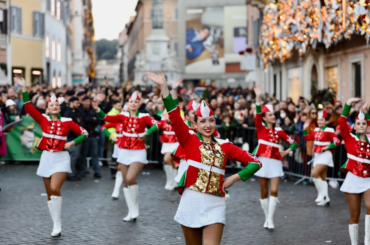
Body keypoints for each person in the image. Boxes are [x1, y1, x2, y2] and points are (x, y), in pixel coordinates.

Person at [146, 70, 262, 245]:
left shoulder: (225, 145)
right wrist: (164, 87)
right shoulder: (188, 139)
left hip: (215, 203)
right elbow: (174, 114)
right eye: (203, 121)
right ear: (195, 123)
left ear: (215, 121)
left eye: (211, 120)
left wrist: (234, 178)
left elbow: (256, 162)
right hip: (190, 202)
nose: (207, 125)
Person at [14, 77, 88, 237]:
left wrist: (71, 143)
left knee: (55, 189)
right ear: (47, 108)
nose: (54, 107)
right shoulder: (43, 119)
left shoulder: (68, 121)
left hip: (62, 158)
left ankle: (58, 222)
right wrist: (24, 88)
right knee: (49, 194)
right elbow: (27, 106)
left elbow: (84, 133)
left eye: (56, 105)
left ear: (59, 108)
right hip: (47, 158)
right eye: (51, 105)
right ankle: (55, 222)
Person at [93, 91, 157, 222]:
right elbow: (107, 119)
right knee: (126, 182)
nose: (133, 104)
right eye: (131, 102)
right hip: (124, 151)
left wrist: (145, 133)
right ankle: (131, 211)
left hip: (138, 151)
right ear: (128, 104)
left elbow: (156, 125)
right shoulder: (123, 115)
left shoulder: (144, 116)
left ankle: (136, 207)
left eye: (136, 102)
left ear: (139, 104)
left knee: (130, 178)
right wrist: (98, 109)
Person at [253, 85, 298, 230]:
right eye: (270, 115)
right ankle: (266, 217)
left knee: (274, 191)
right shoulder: (260, 128)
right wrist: (258, 97)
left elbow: (294, 143)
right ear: (265, 118)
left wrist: (286, 152)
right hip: (262, 162)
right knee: (264, 192)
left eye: (273, 114)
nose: (273, 116)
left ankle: (270, 219)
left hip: (276, 162)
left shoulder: (279, 131)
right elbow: (258, 113)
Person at [337, 99, 370, 245]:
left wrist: (366, 111)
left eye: (364, 123)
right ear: (355, 127)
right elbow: (342, 123)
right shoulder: (349, 138)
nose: (361, 126)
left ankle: (368, 241)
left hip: (368, 179)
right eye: (359, 124)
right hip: (353, 179)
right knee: (355, 215)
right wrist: (348, 104)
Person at [303, 110, 340, 206]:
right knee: (322, 177)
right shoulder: (316, 130)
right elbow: (307, 138)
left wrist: (327, 147)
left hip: (326, 154)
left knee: (314, 173)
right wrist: (304, 127)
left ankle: (322, 194)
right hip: (317, 155)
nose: (319, 122)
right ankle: (326, 198)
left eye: (322, 120)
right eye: (318, 120)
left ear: (326, 121)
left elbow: (337, 141)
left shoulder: (329, 130)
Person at [145, 110, 179, 190]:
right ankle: (170, 180)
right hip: (166, 142)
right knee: (169, 162)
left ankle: (173, 181)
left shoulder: (177, 116)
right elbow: (158, 125)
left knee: (167, 159)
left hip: (175, 142)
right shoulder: (163, 118)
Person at [79, 96, 102, 178]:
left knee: (94, 154)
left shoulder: (93, 109)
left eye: (88, 101)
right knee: (83, 154)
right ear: (82, 102)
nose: (87, 103)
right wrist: (92, 118)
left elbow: (98, 120)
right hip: (85, 135)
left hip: (93, 134)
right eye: (85, 101)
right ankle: (82, 170)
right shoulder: (81, 110)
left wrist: (93, 119)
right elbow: (85, 119)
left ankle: (97, 171)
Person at [63, 97, 83, 181]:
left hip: (77, 137)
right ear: (71, 103)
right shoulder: (67, 113)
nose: (78, 105)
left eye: (78, 103)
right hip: (71, 138)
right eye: (76, 103)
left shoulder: (77, 112)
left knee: (76, 156)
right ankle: (70, 173)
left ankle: (73, 171)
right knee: (73, 156)